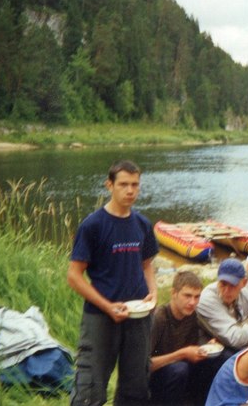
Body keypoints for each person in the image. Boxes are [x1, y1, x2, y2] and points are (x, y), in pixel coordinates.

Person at [67, 159, 159, 405]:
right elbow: (74, 276)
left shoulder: (142, 224)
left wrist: (153, 293)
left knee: (136, 385)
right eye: (124, 184)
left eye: (135, 185)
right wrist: (107, 306)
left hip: (138, 316)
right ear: (109, 185)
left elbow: (147, 265)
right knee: (91, 386)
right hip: (101, 316)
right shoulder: (93, 225)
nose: (130, 191)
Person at [149, 271, 225, 405]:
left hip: (183, 373)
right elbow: (144, 366)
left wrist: (208, 345)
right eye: (187, 296)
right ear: (173, 293)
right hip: (157, 379)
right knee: (179, 369)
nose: (192, 302)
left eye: (197, 297)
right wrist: (181, 354)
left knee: (215, 360)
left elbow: (197, 342)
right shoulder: (159, 318)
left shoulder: (193, 315)